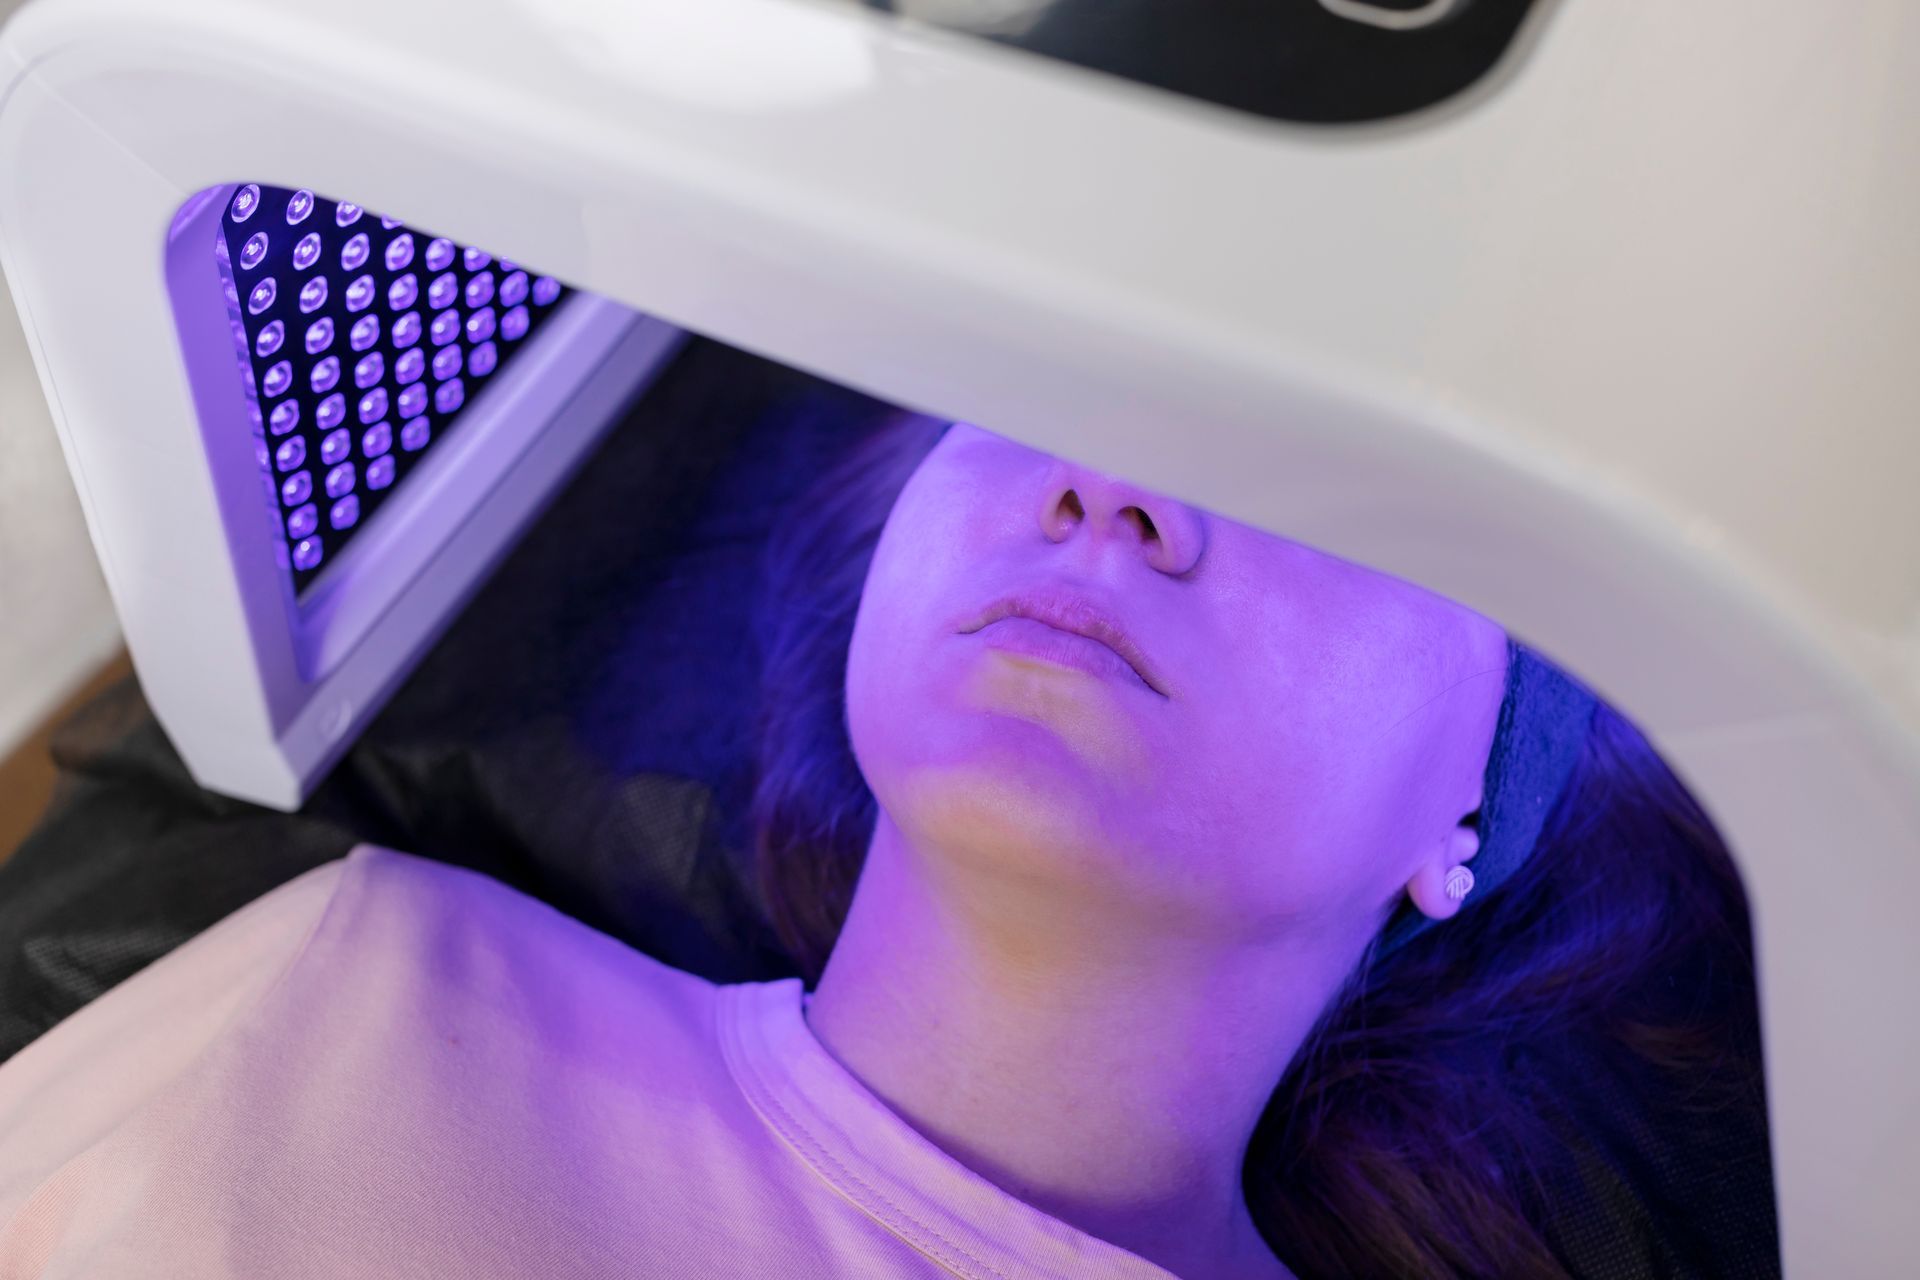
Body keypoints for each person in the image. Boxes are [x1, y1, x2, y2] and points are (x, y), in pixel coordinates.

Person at [0, 413, 1771, 1279]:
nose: (1110, 489)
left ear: (1470, 811)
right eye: (1036, 388)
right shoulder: (360, 974)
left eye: (1319, 485)